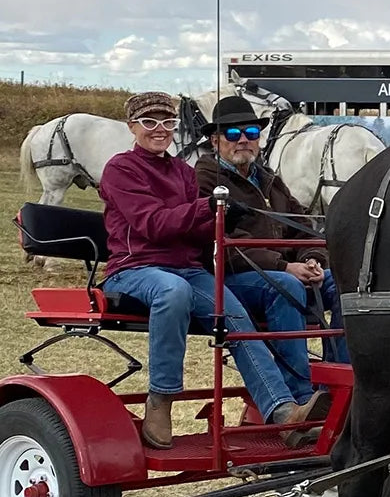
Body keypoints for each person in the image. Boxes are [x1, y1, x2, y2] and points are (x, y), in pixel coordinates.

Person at [98, 91, 329, 449]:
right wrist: (210, 210)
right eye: (149, 122)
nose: (159, 130)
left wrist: (219, 220)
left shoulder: (182, 171)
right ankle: (161, 399)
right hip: (137, 267)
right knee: (172, 293)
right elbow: (151, 225)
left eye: (167, 122)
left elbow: (203, 232)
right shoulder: (120, 169)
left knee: (231, 316)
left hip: (188, 268)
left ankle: (284, 413)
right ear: (132, 127)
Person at [194, 95, 348, 363]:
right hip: (232, 278)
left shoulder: (269, 179)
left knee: (345, 283)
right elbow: (221, 242)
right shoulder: (206, 180)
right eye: (232, 133)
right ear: (215, 141)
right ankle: (297, 392)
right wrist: (284, 266)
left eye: (251, 132)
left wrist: (312, 260)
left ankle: (338, 380)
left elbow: (302, 224)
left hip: (284, 272)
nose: (243, 139)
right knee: (286, 285)